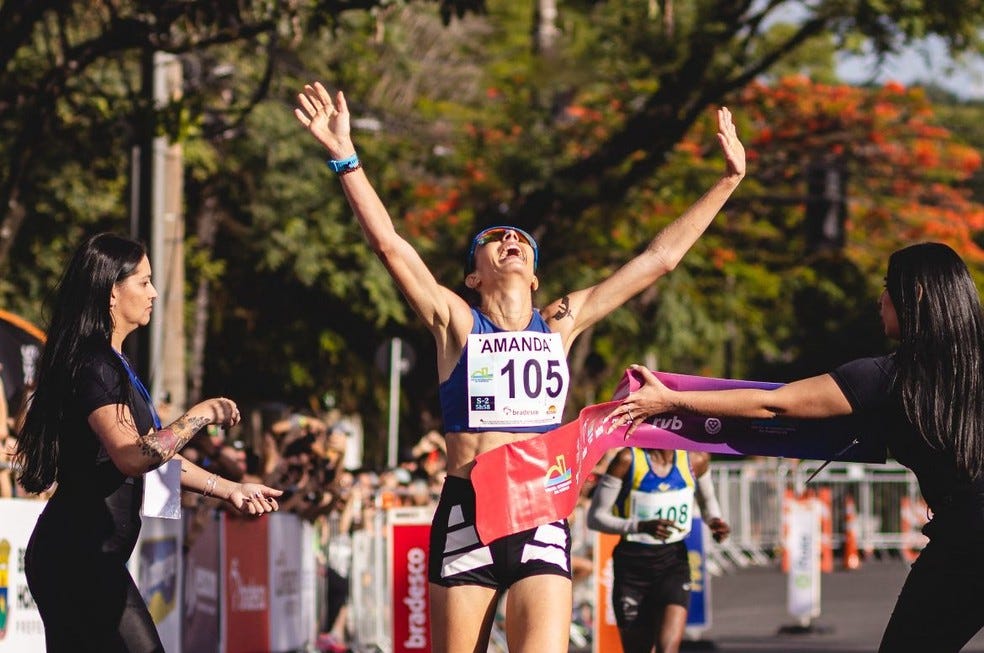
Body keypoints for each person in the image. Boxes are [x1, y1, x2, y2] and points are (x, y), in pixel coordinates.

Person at [294, 80, 745, 653]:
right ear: (473, 275)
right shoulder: (455, 322)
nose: (509, 237)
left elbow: (659, 259)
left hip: (538, 513)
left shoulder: (559, 323)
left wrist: (728, 180)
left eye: (521, 239)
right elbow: (389, 245)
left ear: (534, 277)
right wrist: (345, 157)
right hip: (468, 515)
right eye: (493, 237)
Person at [612, 241, 984, 653]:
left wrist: (670, 401)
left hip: (966, 541)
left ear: (915, 295)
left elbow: (774, 404)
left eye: (887, 286)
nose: (880, 299)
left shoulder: (888, 376)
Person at [14, 233, 283, 653]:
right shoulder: (94, 364)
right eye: (143, 282)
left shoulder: (112, 363)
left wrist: (231, 489)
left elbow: (155, 454)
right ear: (111, 292)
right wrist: (200, 414)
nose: (154, 292)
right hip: (78, 557)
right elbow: (132, 456)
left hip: (84, 556)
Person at [586, 448, 729, 653]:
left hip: (673, 563)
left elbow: (708, 501)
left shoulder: (696, 459)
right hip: (632, 567)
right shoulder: (627, 459)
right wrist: (639, 526)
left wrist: (715, 521)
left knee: (668, 649)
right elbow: (595, 518)